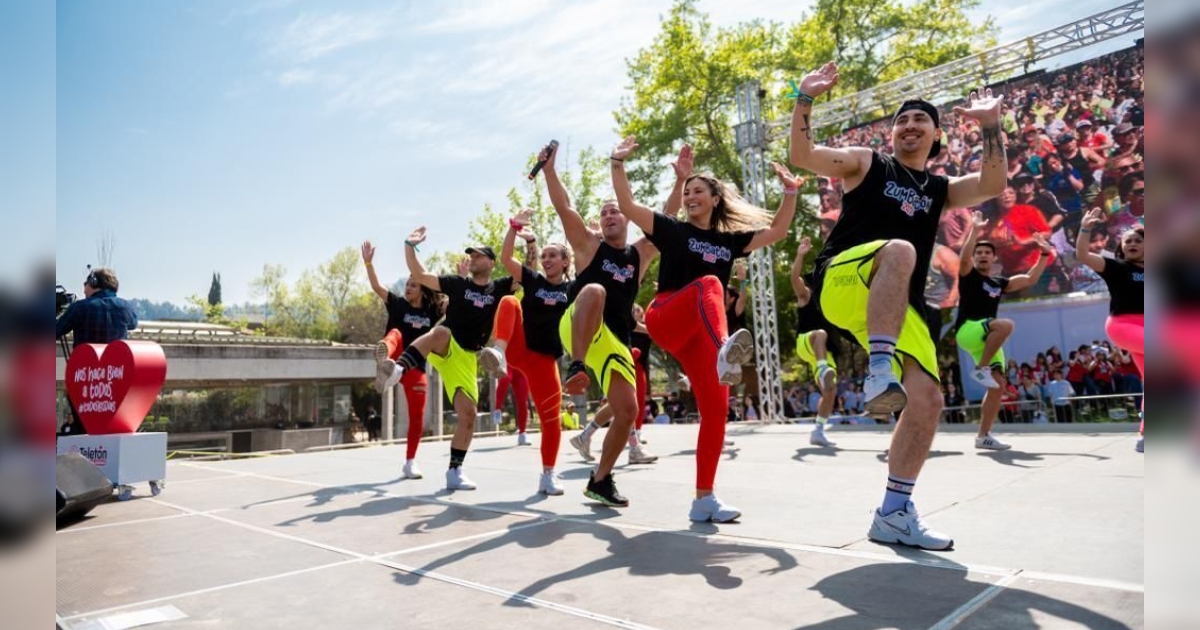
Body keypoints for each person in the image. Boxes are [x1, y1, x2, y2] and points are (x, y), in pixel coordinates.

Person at [790, 60, 1007, 550]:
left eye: (920, 121)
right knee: (901, 250)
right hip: (844, 280)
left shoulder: (940, 190)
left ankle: (893, 512)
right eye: (901, 121)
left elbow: (992, 184)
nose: (909, 126)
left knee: (928, 401)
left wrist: (993, 126)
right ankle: (879, 369)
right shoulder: (866, 163)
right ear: (892, 135)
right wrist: (803, 97)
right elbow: (802, 154)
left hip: (895, 303)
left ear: (935, 137)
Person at [611, 137, 800, 524]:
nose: (691, 195)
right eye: (687, 191)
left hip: (700, 337)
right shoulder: (671, 229)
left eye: (699, 190)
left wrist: (790, 191)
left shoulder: (729, 242)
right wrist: (617, 162)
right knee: (711, 285)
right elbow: (628, 206)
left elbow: (778, 231)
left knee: (716, 412)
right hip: (666, 314)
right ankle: (723, 350)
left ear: (716, 199)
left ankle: (704, 498)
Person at [538, 142, 657, 506]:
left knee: (627, 412)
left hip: (614, 340)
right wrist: (549, 170)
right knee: (593, 289)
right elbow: (563, 207)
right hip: (578, 323)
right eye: (603, 212)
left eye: (614, 211)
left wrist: (681, 179)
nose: (608, 215)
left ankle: (601, 481)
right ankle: (575, 365)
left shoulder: (639, 255)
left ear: (626, 218)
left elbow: (665, 222)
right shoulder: (589, 246)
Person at [393, 229, 515, 490]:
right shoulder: (458, 284)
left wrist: (522, 236)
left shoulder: (501, 287)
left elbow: (527, 272)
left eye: (479, 255)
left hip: (468, 358)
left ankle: (454, 471)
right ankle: (399, 368)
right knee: (440, 331)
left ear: (491, 263)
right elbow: (422, 275)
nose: (472, 258)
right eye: (470, 255)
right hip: (447, 344)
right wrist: (409, 246)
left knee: (468, 416)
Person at [475, 209, 575, 495]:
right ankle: (499, 353)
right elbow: (506, 259)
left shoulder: (573, 288)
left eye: (552, 255)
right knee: (508, 300)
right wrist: (514, 227)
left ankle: (547, 475)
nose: (545, 259)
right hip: (520, 348)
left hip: (545, 359)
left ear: (565, 261)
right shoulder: (534, 280)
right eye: (543, 256)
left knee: (551, 420)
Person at [954, 211, 1053, 450]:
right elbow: (964, 259)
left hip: (987, 337)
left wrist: (1044, 254)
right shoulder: (968, 275)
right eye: (979, 252)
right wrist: (975, 230)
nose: (982, 255)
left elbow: (1029, 279)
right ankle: (980, 369)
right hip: (968, 330)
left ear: (994, 257)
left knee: (998, 387)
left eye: (987, 252)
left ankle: (983, 436)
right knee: (1006, 325)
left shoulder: (1000, 283)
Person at [363, 242, 441, 479]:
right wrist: (368, 262)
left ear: (423, 289)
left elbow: (454, 302)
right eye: (407, 284)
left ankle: (410, 462)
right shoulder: (398, 305)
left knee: (417, 416)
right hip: (394, 356)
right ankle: (383, 360)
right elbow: (377, 286)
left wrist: (460, 276)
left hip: (415, 366)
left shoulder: (432, 311)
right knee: (395, 333)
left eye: (413, 285)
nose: (408, 288)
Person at [1075, 210, 1143, 452]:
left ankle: (1146, 435)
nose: (1133, 244)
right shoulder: (1115, 267)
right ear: (1122, 248)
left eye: (1138, 240)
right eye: (1128, 241)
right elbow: (1082, 254)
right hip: (1123, 326)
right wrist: (1085, 228)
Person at [56, 266, 140, 435]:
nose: (83, 288)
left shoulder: (80, 308)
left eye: (86, 283)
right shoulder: (125, 307)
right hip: (114, 380)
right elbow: (133, 324)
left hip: (85, 382)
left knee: (83, 430)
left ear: (94, 283)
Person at [790, 236, 841, 447]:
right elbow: (794, 279)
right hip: (806, 341)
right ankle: (822, 369)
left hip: (823, 351)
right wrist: (800, 255)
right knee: (820, 334)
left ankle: (818, 430)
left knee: (830, 391)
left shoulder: (831, 301)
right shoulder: (806, 294)